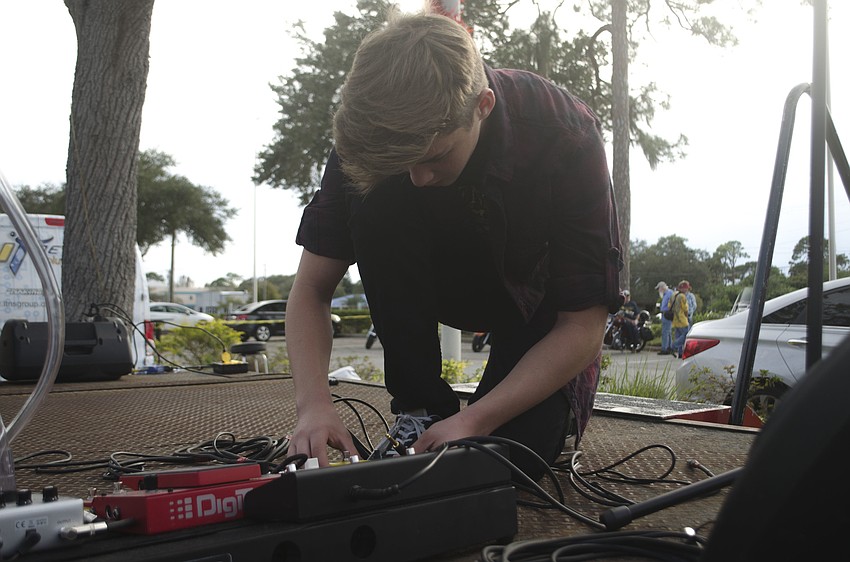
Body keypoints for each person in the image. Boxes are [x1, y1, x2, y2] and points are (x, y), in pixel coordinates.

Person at [285, 9, 622, 479]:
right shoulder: (369, 140)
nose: (418, 179)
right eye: (405, 165)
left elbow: (584, 324)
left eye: (435, 157)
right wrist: (314, 405)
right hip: (433, 282)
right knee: (376, 191)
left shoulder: (565, 134)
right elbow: (312, 290)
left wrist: (474, 420)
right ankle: (420, 407)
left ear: (482, 106)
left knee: (509, 458)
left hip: (539, 311)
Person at [671, 280, 691, 358]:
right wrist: (686, 316)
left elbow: (669, 306)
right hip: (682, 319)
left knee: (678, 335)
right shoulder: (682, 296)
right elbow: (685, 308)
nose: (687, 291)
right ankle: (673, 346)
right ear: (683, 289)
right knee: (686, 335)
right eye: (686, 289)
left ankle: (680, 353)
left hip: (675, 320)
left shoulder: (674, 295)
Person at [655, 281, 674, 355]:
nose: (658, 291)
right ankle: (669, 347)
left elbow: (671, 304)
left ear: (662, 287)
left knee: (665, 332)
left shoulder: (669, 293)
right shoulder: (666, 294)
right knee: (668, 331)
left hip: (667, 314)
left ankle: (664, 348)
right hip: (665, 313)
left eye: (659, 288)